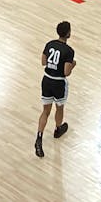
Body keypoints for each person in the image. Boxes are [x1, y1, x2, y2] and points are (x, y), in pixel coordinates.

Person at [34, 21, 75, 158]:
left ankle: (39, 137)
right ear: (68, 34)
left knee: (45, 111)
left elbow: (43, 62)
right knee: (59, 108)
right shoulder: (69, 51)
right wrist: (73, 64)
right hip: (58, 83)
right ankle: (58, 129)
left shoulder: (49, 44)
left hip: (46, 80)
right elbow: (66, 72)